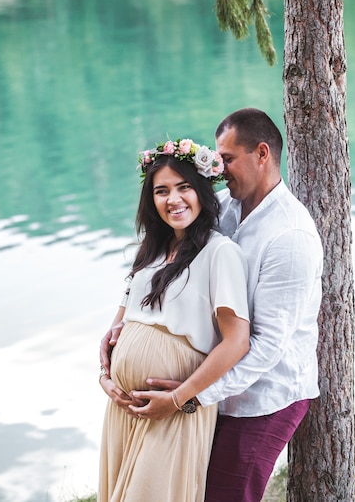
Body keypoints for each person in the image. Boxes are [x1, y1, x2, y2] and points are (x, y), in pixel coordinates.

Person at [100, 109, 323, 502]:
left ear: (262, 154)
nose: (219, 170)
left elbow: (267, 346)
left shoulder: (290, 236)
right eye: (217, 159)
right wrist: (123, 321)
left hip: (262, 398)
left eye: (229, 159)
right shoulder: (221, 208)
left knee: (227, 495)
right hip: (204, 390)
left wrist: (187, 396)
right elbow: (159, 260)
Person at [97, 137, 250, 502]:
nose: (173, 199)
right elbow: (120, 326)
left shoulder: (220, 252)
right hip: (124, 409)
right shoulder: (151, 252)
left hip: (173, 409)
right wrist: (105, 376)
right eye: (161, 191)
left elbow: (237, 341)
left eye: (184, 187)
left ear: (201, 190)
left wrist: (180, 398)